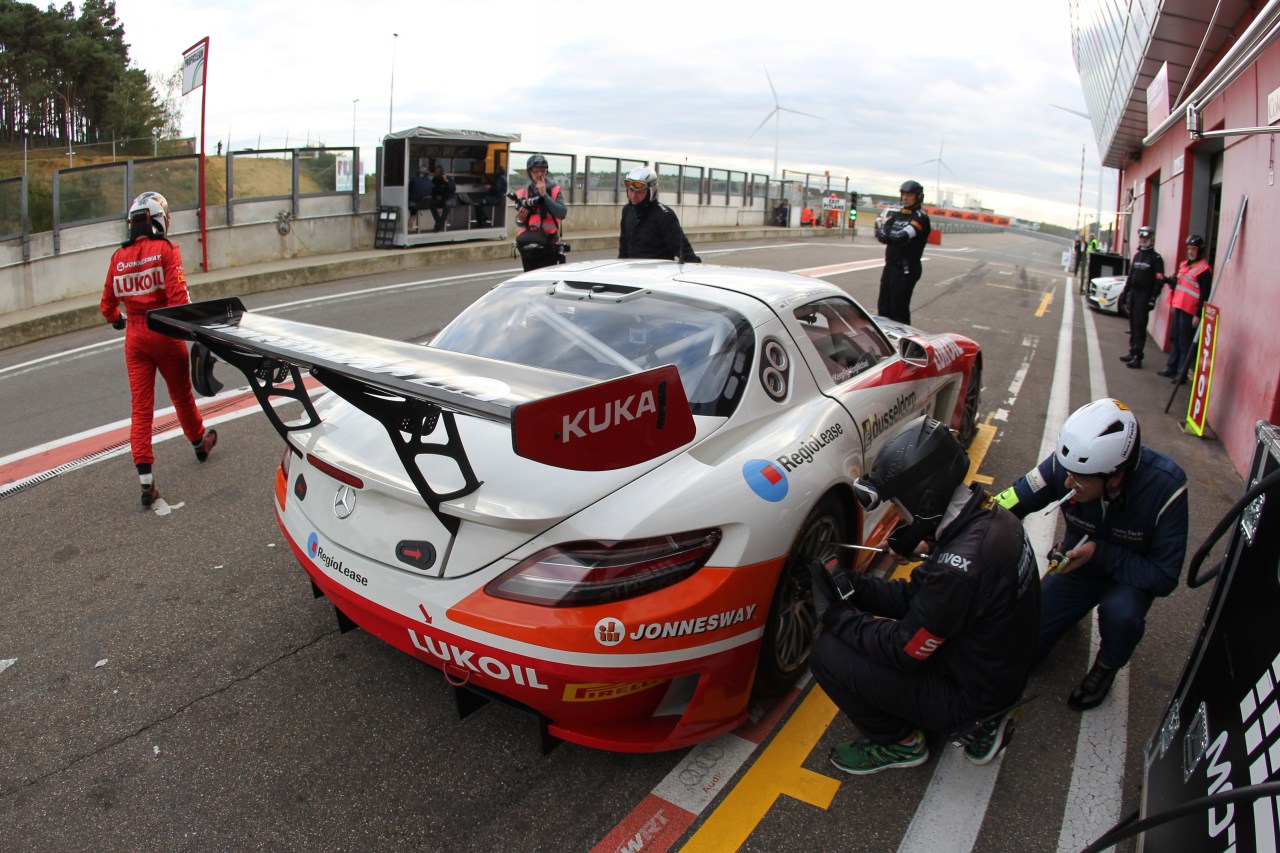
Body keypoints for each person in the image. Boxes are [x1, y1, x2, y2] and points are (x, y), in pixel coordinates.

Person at [809, 417, 1040, 774]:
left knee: (827, 653)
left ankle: (902, 743)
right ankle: (983, 716)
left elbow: (905, 650)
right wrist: (854, 584)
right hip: (994, 666)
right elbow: (920, 598)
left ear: (927, 499)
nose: (897, 517)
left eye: (899, 508)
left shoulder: (957, 569)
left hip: (974, 695)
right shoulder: (990, 518)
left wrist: (835, 616)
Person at [994, 398, 1189, 711]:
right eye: (1067, 472)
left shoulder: (1167, 487)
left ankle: (1106, 666)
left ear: (1115, 476)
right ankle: (1067, 615)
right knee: (1019, 655)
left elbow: (1164, 577)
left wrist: (1102, 554)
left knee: (1121, 615)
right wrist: (959, 528)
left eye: (1079, 479)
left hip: (1130, 579)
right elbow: (1012, 499)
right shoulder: (1069, 465)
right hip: (1077, 568)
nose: (1068, 482)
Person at [99, 191, 218, 508]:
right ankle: (198, 443)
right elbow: (180, 301)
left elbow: (107, 306)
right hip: (164, 331)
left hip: (135, 337)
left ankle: (146, 482)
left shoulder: (117, 258)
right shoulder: (166, 249)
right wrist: (199, 332)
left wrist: (117, 320)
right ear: (158, 220)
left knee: (141, 408)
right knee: (180, 395)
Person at [874, 180, 932, 325]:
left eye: (909, 195)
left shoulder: (920, 217)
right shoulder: (898, 215)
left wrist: (891, 236)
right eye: (903, 194)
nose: (905, 198)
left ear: (918, 197)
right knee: (883, 306)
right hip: (891, 266)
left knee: (898, 310)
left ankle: (904, 343)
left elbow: (902, 236)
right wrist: (891, 236)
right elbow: (881, 233)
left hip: (906, 269)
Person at [617, 165, 701, 263]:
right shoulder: (627, 210)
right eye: (631, 190)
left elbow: (686, 255)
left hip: (657, 275)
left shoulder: (664, 216)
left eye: (639, 191)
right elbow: (623, 250)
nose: (633, 196)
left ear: (650, 191)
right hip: (633, 274)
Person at [1158, 235, 1212, 383]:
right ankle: (1172, 368)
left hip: (1190, 311)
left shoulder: (1204, 270)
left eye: (1193, 249)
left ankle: (1181, 374)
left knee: (1184, 343)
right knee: (1175, 338)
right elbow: (1179, 285)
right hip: (1179, 307)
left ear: (1199, 250)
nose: (1190, 251)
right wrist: (1167, 281)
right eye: (1189, 248)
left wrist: (1198, 314)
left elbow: (1205, 295)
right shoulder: (1185, 265)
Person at [1117, 225, 1165, 369]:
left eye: (1146, 238)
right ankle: (1132, 351)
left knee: (1140, 325)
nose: (1144, 240)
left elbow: (1159, 280)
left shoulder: (1156, 259)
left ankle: (1138, 356)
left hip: (1145, 294)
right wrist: (1125, 293)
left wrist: (1153, 298)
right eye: (1142, 238)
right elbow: (1131, 277)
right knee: (1132, 324)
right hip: (1134, 293)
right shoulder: (1138, 256)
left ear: (1152, 239)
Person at [513, 154, 568, 272]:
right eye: (536, 171)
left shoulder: (554, 190)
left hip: (548, 242)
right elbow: (519, 222)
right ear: (529, 172)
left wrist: (544, 195)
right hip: (529, 241)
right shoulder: (523, 192)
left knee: (548, 279)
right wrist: (520, 219)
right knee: (530, 279)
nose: (539, 174)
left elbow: (562, 213)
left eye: (543, 171)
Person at [428, 165, 457, 233]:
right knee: (431, 204)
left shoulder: (448, 179)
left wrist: (446, 181)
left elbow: (452, 190)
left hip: (449, 198)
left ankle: (439, 224)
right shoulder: (434, 180)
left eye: (436, 172)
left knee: (447, 204)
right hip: (439, 199)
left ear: (441, 173)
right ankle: (439, 221)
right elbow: (432, 191)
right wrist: (436, 196)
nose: (435, 173)